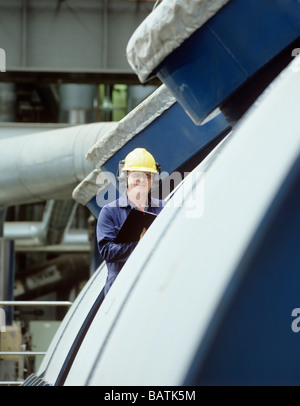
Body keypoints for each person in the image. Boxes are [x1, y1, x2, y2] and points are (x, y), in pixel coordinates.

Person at [97, 148, 165, 295]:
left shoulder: (164, 208)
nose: (141, 180)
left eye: (147, 175)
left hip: (155, 286)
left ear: (152, 179)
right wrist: (139, 246)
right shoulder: (109, 212)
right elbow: (107, 251)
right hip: (120, 290)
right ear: (125, 177)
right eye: (136, 175)